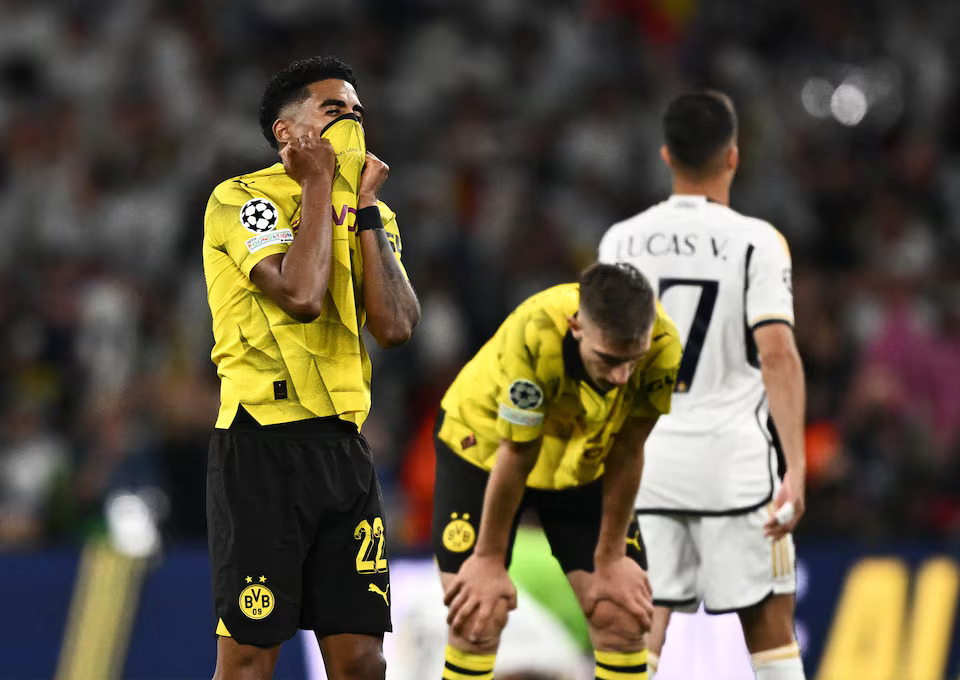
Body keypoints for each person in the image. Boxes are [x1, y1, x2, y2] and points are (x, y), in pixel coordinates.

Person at [201, 56, 420, 680]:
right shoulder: (241, 199)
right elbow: (300, 296)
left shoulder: (374, 213)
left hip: (344, 452)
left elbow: (397, 326)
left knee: (362, 660)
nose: (352, 121)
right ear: (287, 134)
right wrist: (319, 186)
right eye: (334, 111)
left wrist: (369, 210)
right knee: (247, 658)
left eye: (357, 112)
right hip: (260, 446)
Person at [598, 91, 807, 680]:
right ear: (733, 156)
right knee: (771, 639)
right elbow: (778, 353)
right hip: (734, 470)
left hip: (647, 465)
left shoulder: (621, 242)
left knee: (638, 638)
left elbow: (605, 359)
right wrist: (796, 468)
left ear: (667, 155)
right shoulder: (758, 241)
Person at [432, 262, 683, 680]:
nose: (622, 376)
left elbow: (629, 449)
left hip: (582, 459)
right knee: (479, 615)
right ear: (576, 326)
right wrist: (489, 559)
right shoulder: (536, 334)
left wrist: (612, 556)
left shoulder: (663, 345)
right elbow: (518, 452)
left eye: (632, 361)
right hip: (485, 451)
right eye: (609, 359)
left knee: (621, 615)